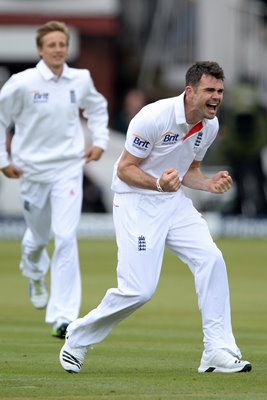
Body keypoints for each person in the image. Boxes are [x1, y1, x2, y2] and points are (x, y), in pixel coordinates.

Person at [59, 61, 252, 374]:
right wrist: (158, 183)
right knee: (140, 290)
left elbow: (189, 171)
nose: (216, 96)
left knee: (212, 259)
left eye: (219, 91)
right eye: (209, 90)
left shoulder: (209, 125)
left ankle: (217, 350)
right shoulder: (153, 116)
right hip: (136, 202)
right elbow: (124, 168)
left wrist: (207, 183)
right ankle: (78, 337)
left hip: (173, 203)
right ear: (189, 91)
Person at [0, 21, 109, 338]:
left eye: (62, 44)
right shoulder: (22, 83)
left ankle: (63, 316)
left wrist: (99, 141)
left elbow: (98, 107)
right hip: (31, 170)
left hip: (68, 168)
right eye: (52, 45)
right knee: (37, 237)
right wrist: (4, 161)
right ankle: (34, 271)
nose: (58, 49)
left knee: (65, 237)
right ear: (40, 49)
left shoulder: (81, 78)